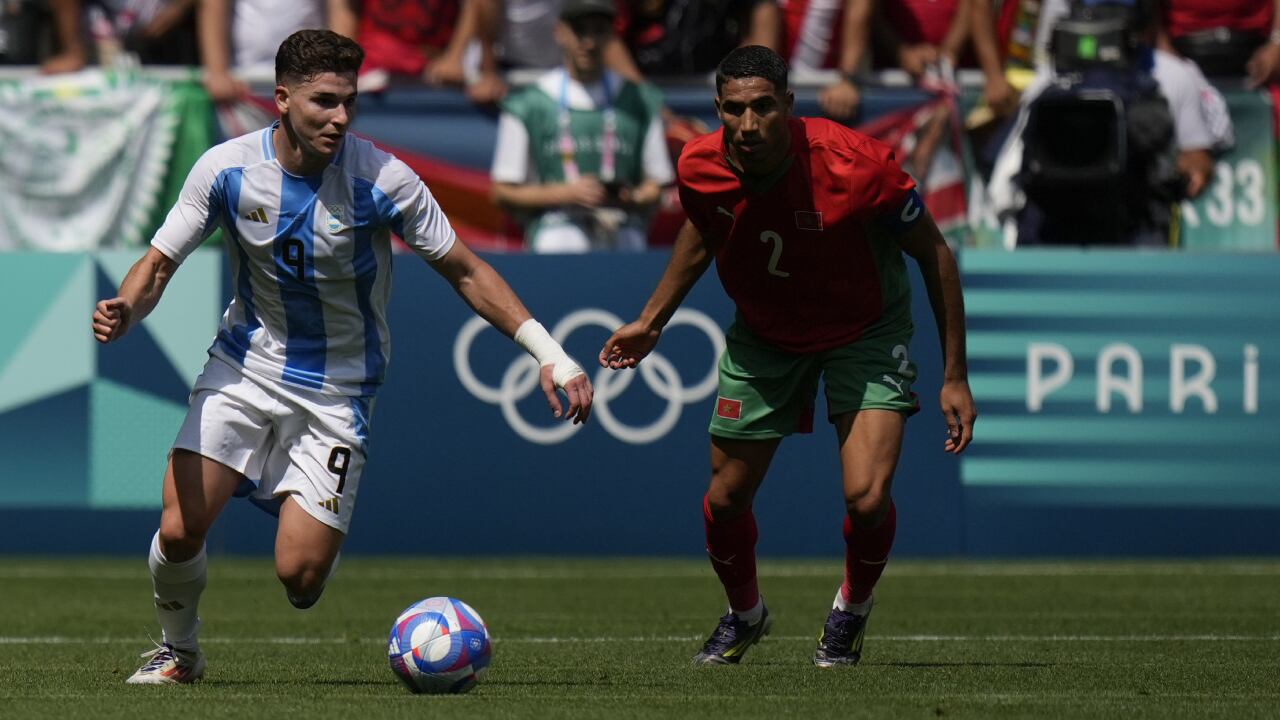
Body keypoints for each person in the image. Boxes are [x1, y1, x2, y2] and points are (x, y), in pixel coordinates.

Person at [92, 29, 594, 685]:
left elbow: (467, 271)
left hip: (338, 391)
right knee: (180, 527)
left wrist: (548, 353)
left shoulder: (384, 179)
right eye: (323, 101)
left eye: (348, 102)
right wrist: (128, 308)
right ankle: (179, 652)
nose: (339, 117)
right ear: (281, 99)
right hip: (243, 369)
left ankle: (283, 486)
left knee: (300, 580)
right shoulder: (227, 169)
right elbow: (158, 264)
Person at [599, 45, 976, 667]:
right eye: (735, 110)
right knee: (724, 500)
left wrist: (954, 375)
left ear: (789, 106)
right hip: (766, 336)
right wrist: (651, 321)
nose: (749, 126)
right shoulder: (699, 163)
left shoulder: (856, 164)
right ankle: (745, 615)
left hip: (867, 330)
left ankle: (850, 612)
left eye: (764, 109)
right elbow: (705, 227)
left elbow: (934, 252)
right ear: (719, 109)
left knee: (867, 496)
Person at [490, 0, 673, 252]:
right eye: (579, 30)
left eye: (598, 30)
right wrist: (566, 194)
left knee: (628, 241)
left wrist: (630, 197)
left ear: (612, 35)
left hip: (622, 227)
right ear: (559, 32)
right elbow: (502, 192)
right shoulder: (530, 102)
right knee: (562, 242)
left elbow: (658, 185)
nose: (588, 42)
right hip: (557, 229)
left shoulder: (640, 99)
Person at [198, 0, 357, 103]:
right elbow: (213, 6)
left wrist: (335, 72)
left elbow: (341, 10)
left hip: (308, 83)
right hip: (243, 88)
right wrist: (217, 73)